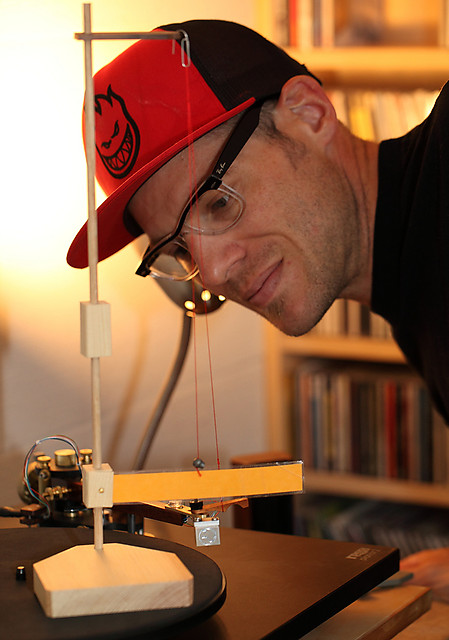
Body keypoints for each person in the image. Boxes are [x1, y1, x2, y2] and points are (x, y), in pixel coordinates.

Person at [67, 20, 449, 601]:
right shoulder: (410, 289)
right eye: (176, 250)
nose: (214, 274)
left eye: (219, 201)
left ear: (309, 114)